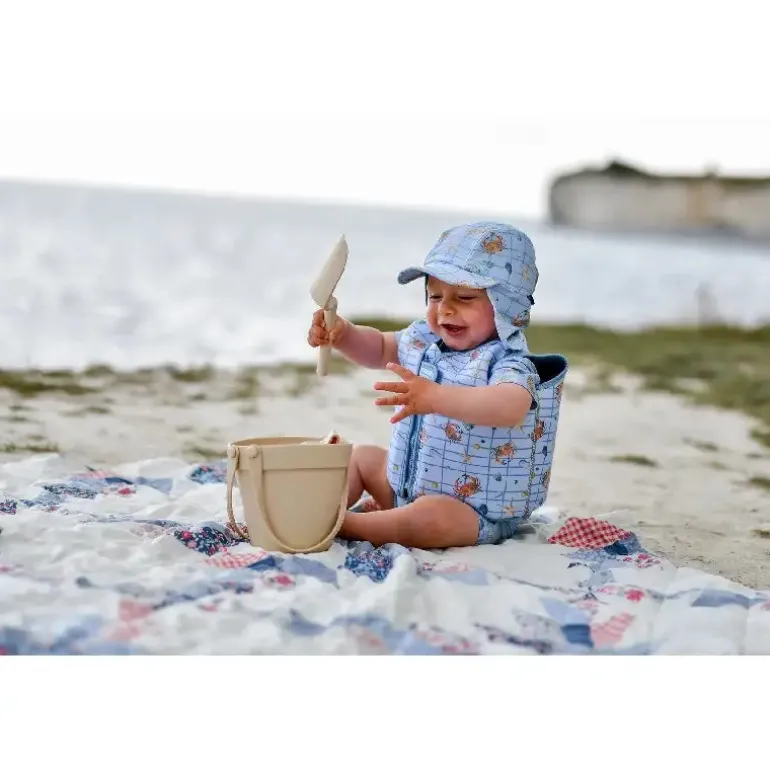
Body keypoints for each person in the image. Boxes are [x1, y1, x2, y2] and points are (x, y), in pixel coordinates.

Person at [307, 221, 559, 549]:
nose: (445, 308)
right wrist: (343, 335)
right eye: (435, 296)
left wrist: (437, 397)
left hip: (470, 511)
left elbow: (512, 406)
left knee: (433, 518)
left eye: (464, 297)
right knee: (361, 458)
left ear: (505, 307)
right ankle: (321, 506)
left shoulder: (505, 360)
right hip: (403, 486)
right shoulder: (424, 339)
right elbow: (379, 348)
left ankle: (344, 524)